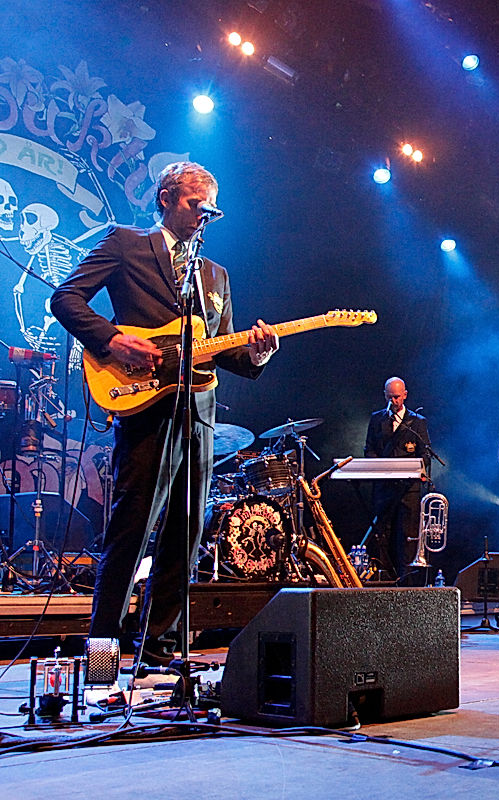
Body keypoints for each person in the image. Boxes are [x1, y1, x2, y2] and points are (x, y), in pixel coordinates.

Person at [50, 161, 278, 664]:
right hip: (144, 404)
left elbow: (223, 349)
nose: (204, 214)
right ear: (167, 198)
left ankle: (159, 646)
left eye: (211, 209)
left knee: (186, 532)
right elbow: (65, 299)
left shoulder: (215, 274)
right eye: (196, 204)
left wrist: (258, 353)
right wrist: (113, 340)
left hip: (199, 410)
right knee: (131, 528)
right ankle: (102, 656)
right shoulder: (126, 244)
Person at [363, 377, 431, 579]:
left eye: (397, 397)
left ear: (405, 395)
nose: (394, 401)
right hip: (384, 487)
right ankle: (382, 576)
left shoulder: (417, 422)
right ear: (385, 395)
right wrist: (380, 467)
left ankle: (406, 578)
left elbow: (425, 453)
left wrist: (415, 469)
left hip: (408, 489)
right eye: (390, 397)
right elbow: (369, 449)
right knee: (382, 531)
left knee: (407, 534)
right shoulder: (377, 419)